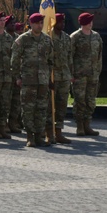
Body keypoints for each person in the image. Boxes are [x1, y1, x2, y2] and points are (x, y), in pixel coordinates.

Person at [11, 14, 54, 148]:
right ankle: (30, 137)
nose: (40, 26)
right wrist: (17, 77)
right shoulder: (22, 40)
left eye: (41, 23)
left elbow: (51, 60)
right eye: (37, 23)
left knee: (41, 109)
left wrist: (48, 77)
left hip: (42, 81)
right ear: (31, 24)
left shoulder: (47, 40)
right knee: (28, 109)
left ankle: (39, 136)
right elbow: (15, 60)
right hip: (28, 81)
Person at [71, 12, 104, 136]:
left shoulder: (96, 36)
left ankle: (87, 125)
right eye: (88, 21)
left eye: (91, 21)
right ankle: (79, 125)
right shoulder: (75, 37)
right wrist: (72, 73)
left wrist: (98, 71)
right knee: (80, 100)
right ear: (83, 23)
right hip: (79, 75)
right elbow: (70, 56)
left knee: (91, 101)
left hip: (93, 74)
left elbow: (99, 55)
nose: (90, 23)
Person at [45, 13, 74, 145]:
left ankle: (59, 133)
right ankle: (49, 134)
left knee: (62, 106)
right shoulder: (48, 37)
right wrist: (47, 77)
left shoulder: (67, 38)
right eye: (60, 22)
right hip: (53, 77)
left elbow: (70, 58)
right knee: (50, 106)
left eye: (64, 22)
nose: (63, 24)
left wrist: (71, 74)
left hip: (64, 77)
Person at [7, 19, 24, 134]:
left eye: (14, 23)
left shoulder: (19, 38)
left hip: (16, 73)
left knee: (16, 101)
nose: (13, 25)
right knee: (5, 101)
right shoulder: (1, 37)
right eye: (10, 24)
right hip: (4, 74)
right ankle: (3, 125)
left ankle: (13, 123)